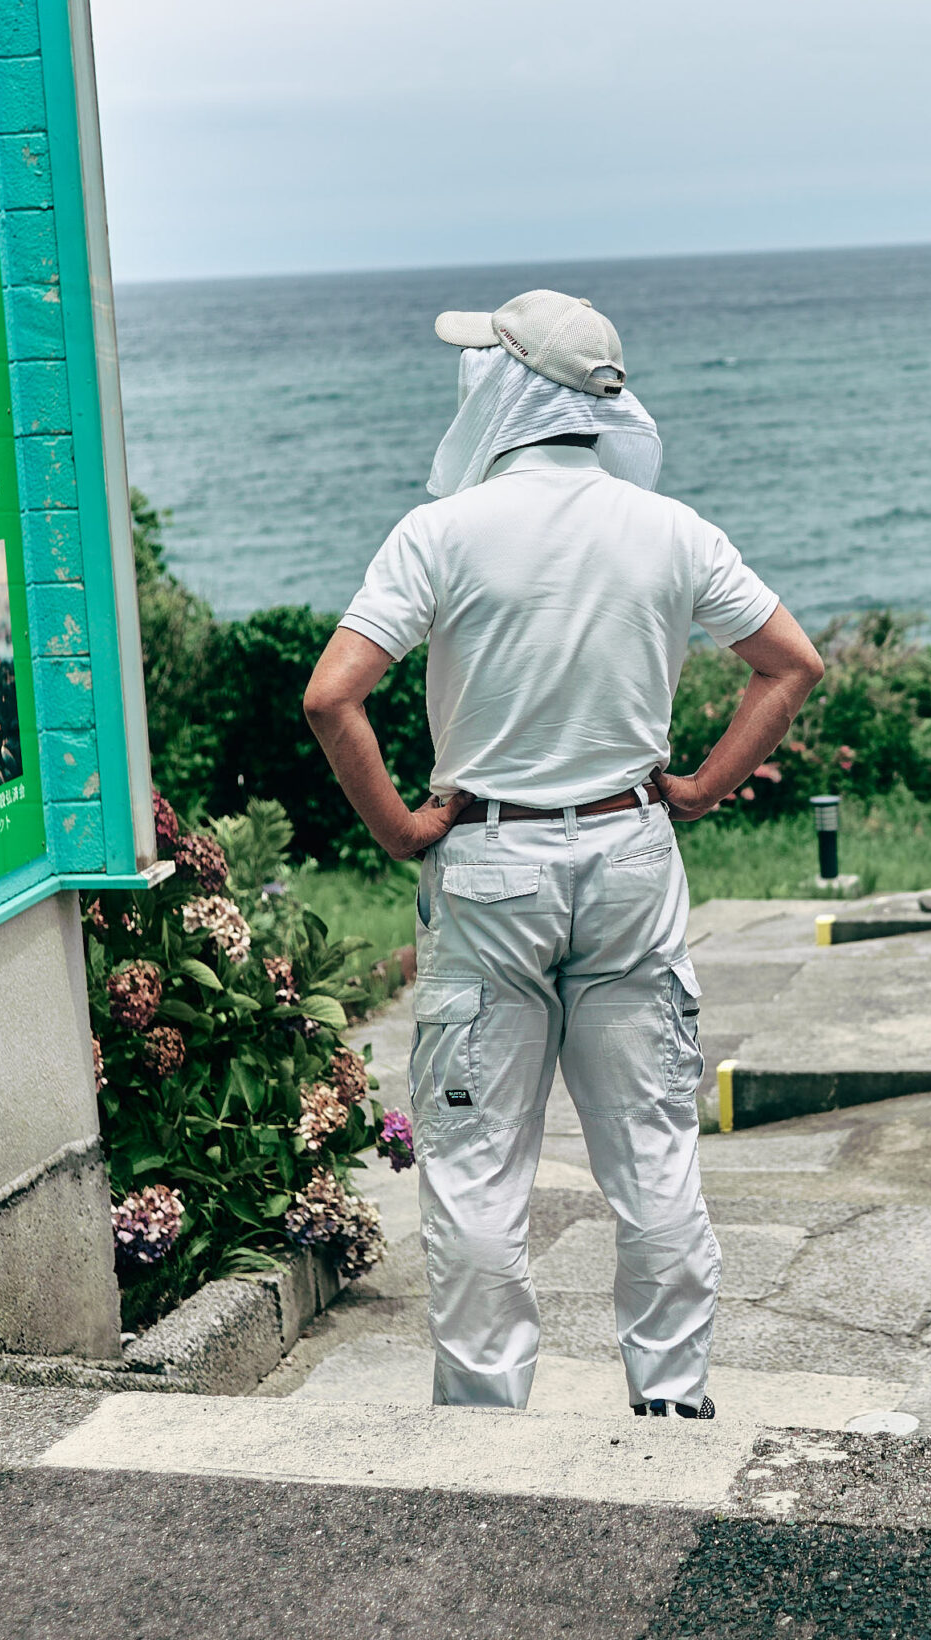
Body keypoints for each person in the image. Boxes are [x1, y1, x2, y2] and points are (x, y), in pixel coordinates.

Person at [303, 288, 822, 1418]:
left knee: (477, 1166)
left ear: (506, 386)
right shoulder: (670, 528)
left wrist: (398, 829)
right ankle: (674, 1400)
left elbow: (332, 695)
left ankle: (489, 1421)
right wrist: (695, 789)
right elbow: (790, 665)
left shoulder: (438, 533)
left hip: (489, 861)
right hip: (630, 852)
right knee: (651, 1153)